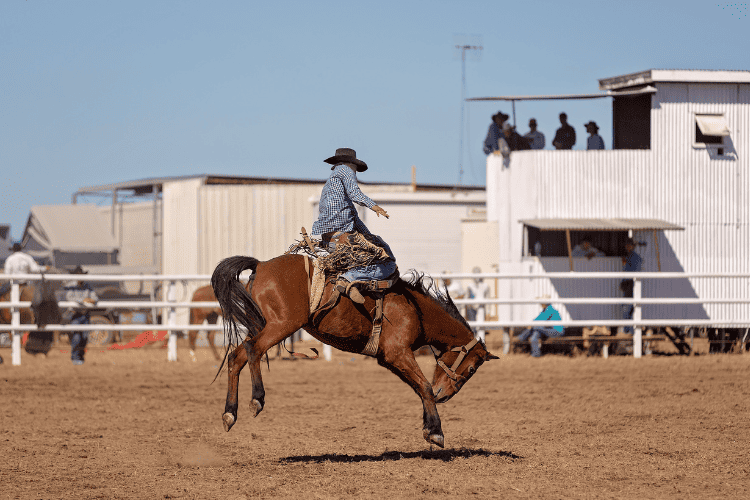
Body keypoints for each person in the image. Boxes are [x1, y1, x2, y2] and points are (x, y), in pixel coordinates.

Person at [311, 147, 395, 304]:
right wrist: (374, 206)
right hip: (343, 237)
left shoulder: (332, 184)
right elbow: (355, 193)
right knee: (388, 263)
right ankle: (349, 278)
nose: (355, 173)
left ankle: (352, 282)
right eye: (356, 169)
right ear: (351, 164)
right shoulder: (345, 170)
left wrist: (370, 237)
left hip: (330, 239)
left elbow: (355, 218)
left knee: (377, 245)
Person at [63, 265, 98, 365]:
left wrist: (86, 301)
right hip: (75, 314)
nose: (80, 277)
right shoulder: (71, 286)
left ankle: (80, 357)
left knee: (84, 337)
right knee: (77, 336)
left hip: (85, 314)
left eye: (81, 275)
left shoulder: (87, 286)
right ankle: (75, 357)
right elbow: (69, 298)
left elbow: (95, 299)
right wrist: (84, 300)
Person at [619, 238, 642, 335]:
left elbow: (632, 272)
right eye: (626, 245)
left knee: (627, 307)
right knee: (629, 307)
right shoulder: (632, 257)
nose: (627, 247)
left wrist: (625, 282)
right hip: (629, 284)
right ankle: (630, 330)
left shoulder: (634, 257)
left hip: (631, 284)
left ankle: (628, 331)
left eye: (629, 245)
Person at [466, 267, 490, 343]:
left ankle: (481, 342)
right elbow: (467, 297)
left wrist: (489, 312)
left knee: (480, 326)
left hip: (481, 307)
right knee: (472, 326)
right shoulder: (470, 286)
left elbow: (488, 299)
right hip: (471, 308)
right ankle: (473, 343)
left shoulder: (485, 286)